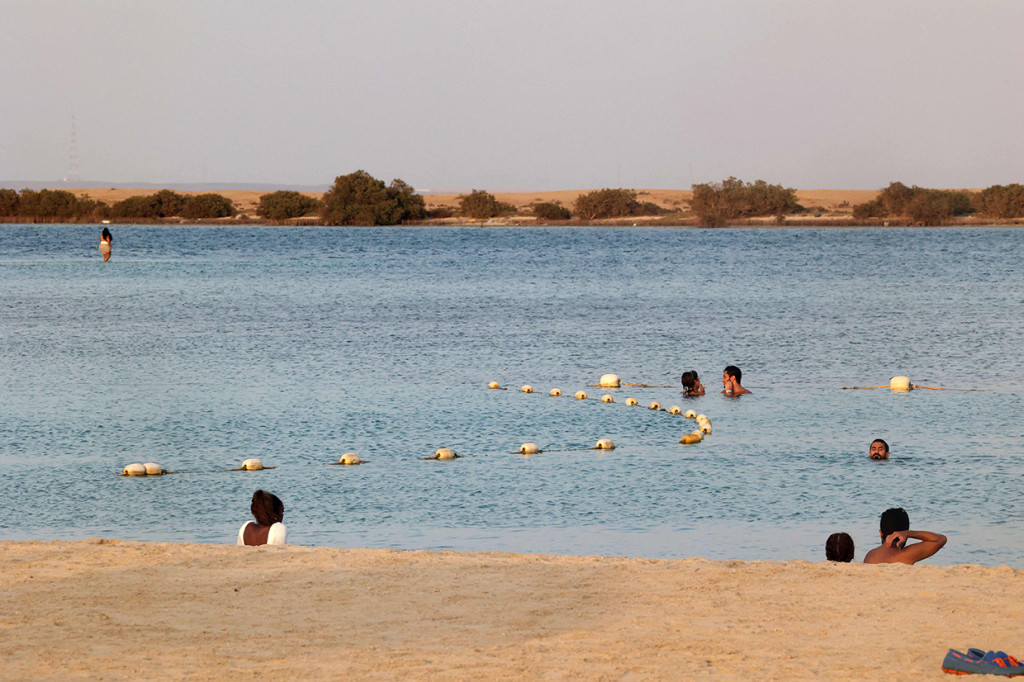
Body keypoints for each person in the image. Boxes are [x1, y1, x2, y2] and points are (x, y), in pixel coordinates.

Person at [863, 507, 946, 564]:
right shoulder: (906, 555)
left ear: (881, 533)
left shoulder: (870, 554)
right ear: (905, 532)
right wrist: (909, 533)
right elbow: (940, 539)